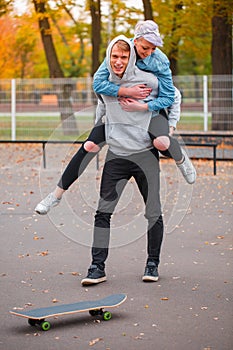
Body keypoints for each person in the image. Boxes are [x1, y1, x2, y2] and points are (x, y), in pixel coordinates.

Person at [35, 20, 195, 215]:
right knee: (89, 146)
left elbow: (172, 96)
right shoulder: (118, 55)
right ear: (135, 41)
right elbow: (98, 85)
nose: (149, 52)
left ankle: (180, 158)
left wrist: (156, 114)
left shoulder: (158, 63)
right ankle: (56, 195)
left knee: (162, 143)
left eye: (153, 48)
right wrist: (126, 91)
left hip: (149, 111)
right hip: (116, 115)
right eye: (145, 47)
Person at [81, 35, 164, 285]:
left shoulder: (149, 80)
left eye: (124, 57)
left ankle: (152, 263)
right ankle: (97, 267)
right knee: (103, 212)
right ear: (108, 57)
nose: (118, 61)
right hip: (117, 155)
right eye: (114, 56)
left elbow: (169, 101)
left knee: (153, 212)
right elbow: (101, 113)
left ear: (131, 58)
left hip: (145, 154)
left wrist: (166, 132)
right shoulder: (103, 83)